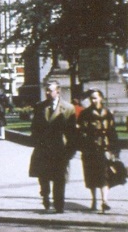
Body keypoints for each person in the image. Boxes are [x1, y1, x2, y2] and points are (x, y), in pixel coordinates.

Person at [28, 81, 77, 213]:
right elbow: (34, 127)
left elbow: (72, 132)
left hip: (60, 149)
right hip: (43, 148)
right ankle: (45, 196)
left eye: (50, 90)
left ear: (58, 91)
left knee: (59, 177)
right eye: (46, 90)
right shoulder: (40, 106)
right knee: (43, 176)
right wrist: (36, 140)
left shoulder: (68, 108)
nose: (47, 93)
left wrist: (70, 150)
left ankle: (59, 204)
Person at [76, 89, 120, 213]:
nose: (94, 100)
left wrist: (114, 150)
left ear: (101, 98)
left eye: (96, 98)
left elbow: (112, 132)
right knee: (91, 175)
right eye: (92, 98)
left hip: (105, 148)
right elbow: (80, 131)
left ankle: (104, 201)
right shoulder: (85, 114)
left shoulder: (107, 113)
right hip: (90, 149)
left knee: (104, 175)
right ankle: (94, 199)